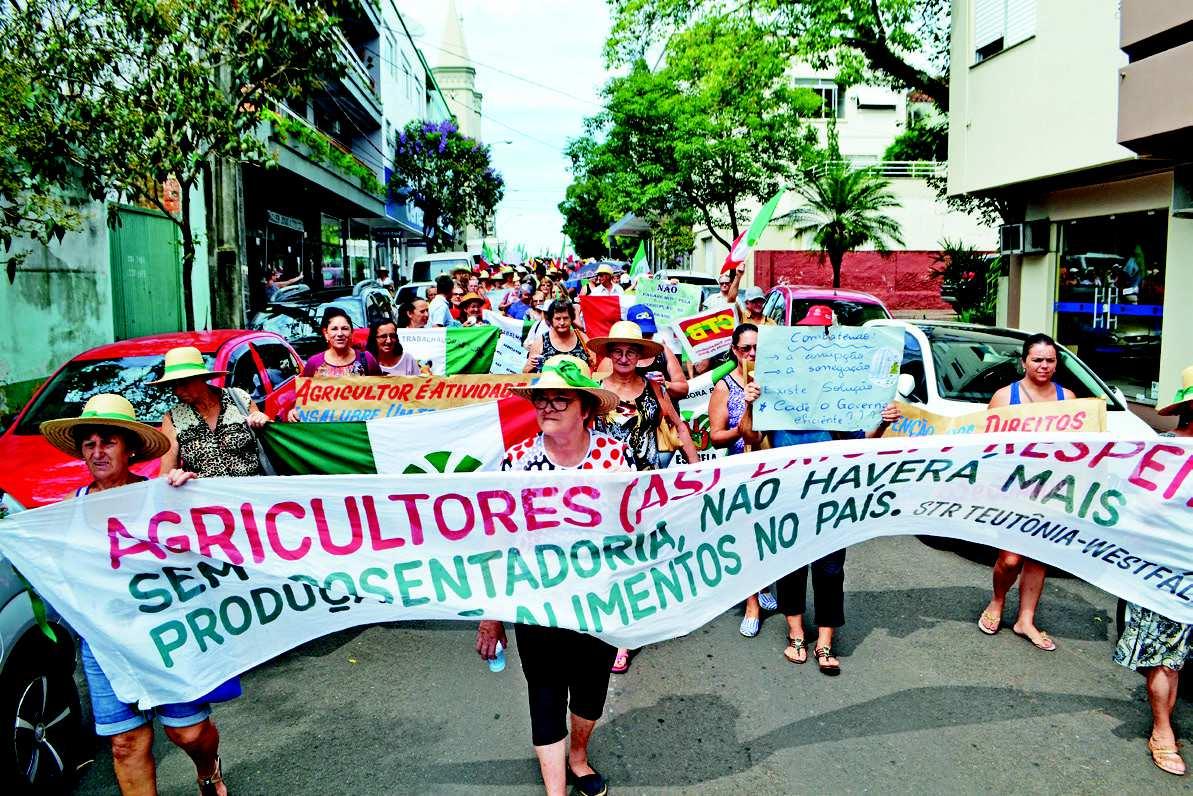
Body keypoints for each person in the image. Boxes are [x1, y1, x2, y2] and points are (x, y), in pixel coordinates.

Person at [39, 394, 230, 796]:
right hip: (106, 641)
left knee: (188, 733)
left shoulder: (162, 496)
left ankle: (208, 769)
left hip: (168, 634)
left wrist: (190, 494)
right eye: (89, 444)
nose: (97, 452)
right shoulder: (70, 508)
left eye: (108, 442)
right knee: (126, 743)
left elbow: (204, 546)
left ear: (130, 449)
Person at [476, 355, 626, 796]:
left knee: (590, 691)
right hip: (536, 602)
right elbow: (500, 543)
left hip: (598, 601)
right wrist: (492, 615)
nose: (548, 407)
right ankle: (555, 789)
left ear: (585, 409)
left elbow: (634, 532)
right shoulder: (517, 461)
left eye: (560, 399)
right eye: (542, 399)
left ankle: (578, 757)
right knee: (544, 693)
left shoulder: (615, 458)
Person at [1115, 366, 1193, 775]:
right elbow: (1134, 511)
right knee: (1166, 659)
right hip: (1165, 575)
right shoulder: (1160, 453)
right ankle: (1163, 731)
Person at [978, 333, 1076, 652]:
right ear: (1024, 362)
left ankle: (1026, 619)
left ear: (1056, 364)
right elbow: (985, 447)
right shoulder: (1004, 398)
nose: (1043, 365)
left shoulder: (1068, 399)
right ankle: (997, 600)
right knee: (1010, 559)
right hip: (1012, 489)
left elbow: (1081, 448)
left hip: (1052, 490)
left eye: (1050, 360)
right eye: (1037, 359)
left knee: (1038, 556)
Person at [587, 321, 672, 674]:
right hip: (606, 487)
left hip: (645, 487)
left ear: (640, 356)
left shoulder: (654, 387)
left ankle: (625, 633)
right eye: (618, 351)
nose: (624, 358)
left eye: (631, 352)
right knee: (610, 555)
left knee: (636, 555)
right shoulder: (594, 389)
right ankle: (610, 620)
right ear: (609, 354)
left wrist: (700, 472)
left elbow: (677, 424)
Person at [707, 323, 777, 635]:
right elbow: (715, 436)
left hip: (773, 468)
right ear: (735, 350)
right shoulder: (725, 386)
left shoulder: (777, 380)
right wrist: (743, 426)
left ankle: (764, 585)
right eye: (746, 348)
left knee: (768, 534)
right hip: (741, 469)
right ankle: (751, 603)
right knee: (748, 536)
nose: (752, 353)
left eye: (758, 348)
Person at [153, 346, 272, 479]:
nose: (178, 391)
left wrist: (264, 420)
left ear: (201, 378)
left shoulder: (239, 399)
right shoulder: (173, 418)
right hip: (204, 492)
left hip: (250, 489)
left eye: (183, 383)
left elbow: (268, 438)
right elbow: (166, 473)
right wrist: (177, 477)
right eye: (173, 385)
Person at [299, 307, 382, 378]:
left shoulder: (367, 359)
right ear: (326, 333)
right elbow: (303, 390)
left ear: (351, 332)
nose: (340, 334)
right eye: (334, 329)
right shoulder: (314, 363)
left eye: (344, 328)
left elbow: (381, 388)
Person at [524, 299, 589, 373]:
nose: (562, 322)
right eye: (558, 319)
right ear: (551, 320)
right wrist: (530, 365)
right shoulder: (541, 341)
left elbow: (594, 366)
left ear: (572, 318)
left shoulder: (582, 338)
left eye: (565, 318)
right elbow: (525, 372)